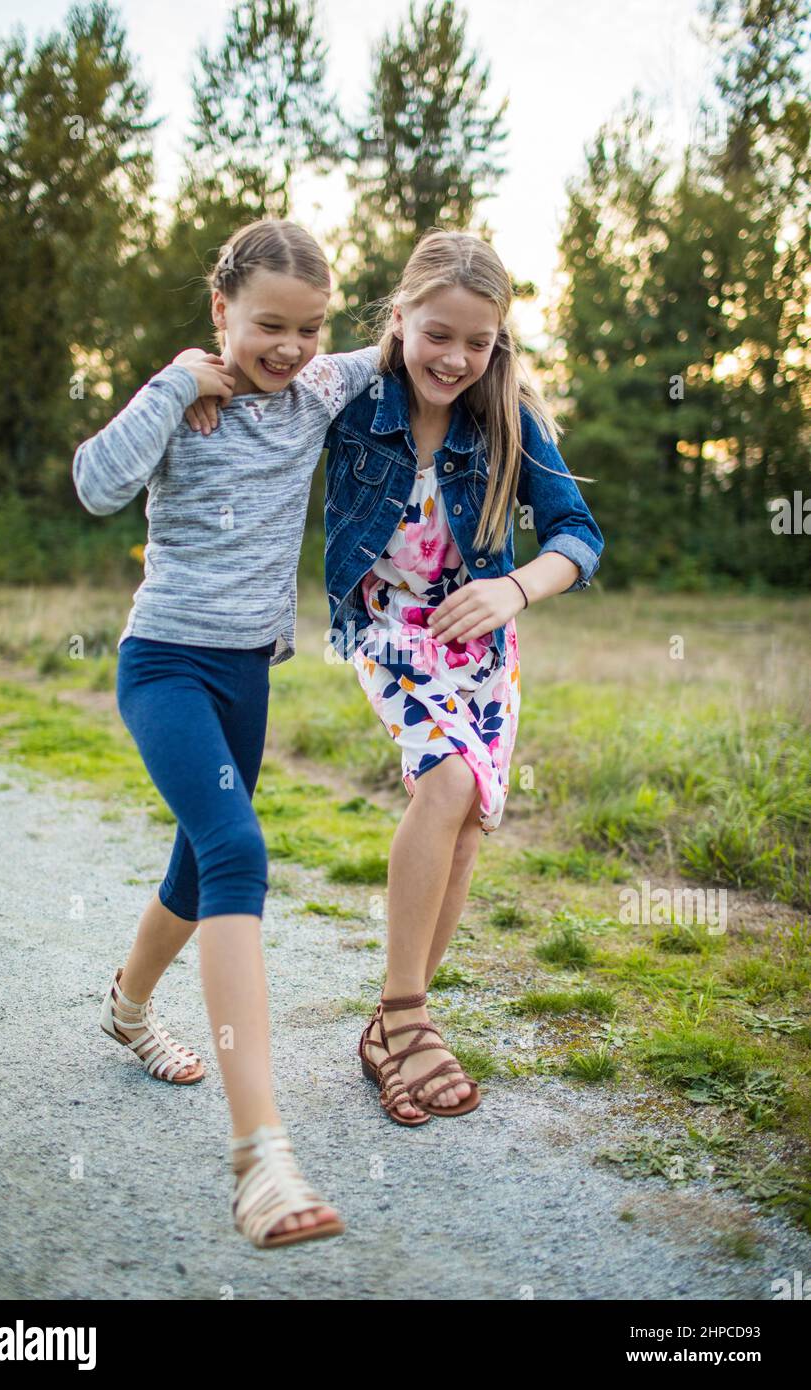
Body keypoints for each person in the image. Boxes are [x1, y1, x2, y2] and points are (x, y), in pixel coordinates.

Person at [72, 218, 379, 1247]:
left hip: (247, 676)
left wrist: (470, 334)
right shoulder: (184, 399)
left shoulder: (319, 391)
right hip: (163, 663)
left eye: (309, 328)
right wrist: (170, 383)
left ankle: (125, 1008)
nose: (288, 348)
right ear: (220, 311)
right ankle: (260, 1157)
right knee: (238, 850)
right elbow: (94, 485)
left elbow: (415, 342)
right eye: (266, 326)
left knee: (196, 875)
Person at [322, 229, 604, 1125]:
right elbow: (260, 371)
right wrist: (198, 384)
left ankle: (388, 1029)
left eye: (475, 342)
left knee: (468, 820)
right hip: (388, 633)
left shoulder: (512, 415)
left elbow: (579, 537)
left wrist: (513, 590)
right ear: (399, 317)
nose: (454, 357)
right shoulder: (349, 393)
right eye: (436, 334)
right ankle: (407, 1018)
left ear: (499, 342)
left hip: (482, 649)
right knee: (444, 781)